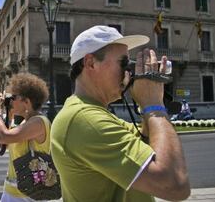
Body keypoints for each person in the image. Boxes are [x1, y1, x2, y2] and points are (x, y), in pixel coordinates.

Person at [51, 25, 190, 202]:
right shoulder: (84, 119)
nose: (128, 72)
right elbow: (175, 185)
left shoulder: (92, 114)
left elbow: (148, 145)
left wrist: (147, 98)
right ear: (90, 63)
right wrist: (154, 106)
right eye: (123, 63)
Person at [0, 73, 51, 201]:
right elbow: (1, 146)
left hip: (27, 196)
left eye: (14, 97)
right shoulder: (25, 123)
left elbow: (3, 137)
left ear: (26, 101)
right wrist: (9, 115)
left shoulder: (39, 122)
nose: (11, 100)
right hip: (11, 192)